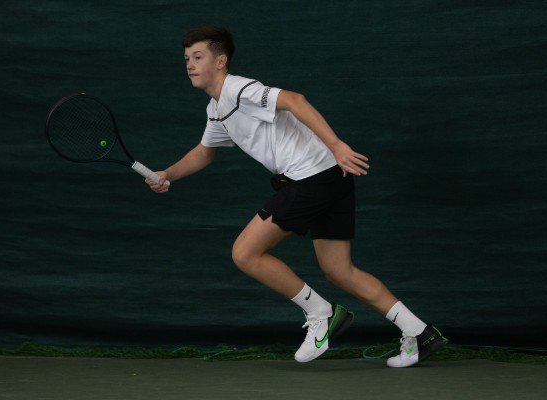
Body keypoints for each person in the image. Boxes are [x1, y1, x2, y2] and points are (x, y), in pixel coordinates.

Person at [146, 26, 447, 367]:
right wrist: (168, 173)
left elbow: (294, 100)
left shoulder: (239, 89)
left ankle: (321, 313)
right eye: (187, 58)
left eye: (198, 57)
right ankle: (420, 333)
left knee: (245, 253)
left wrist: (337, 145)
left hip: (311, 177)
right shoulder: (216, 109)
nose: (190, 64)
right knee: (339, 271)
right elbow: (205, 151)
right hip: (331, 177)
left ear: (221, 61)